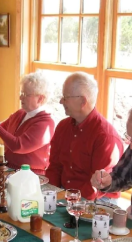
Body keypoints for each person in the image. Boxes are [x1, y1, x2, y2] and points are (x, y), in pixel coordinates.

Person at [46, 72, 124, 201]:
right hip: (66, 192)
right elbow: (54, 167)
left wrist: (66, 200)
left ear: (82, 101)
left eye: (65, 97)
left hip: (99, 199)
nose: (60, 101)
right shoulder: (63, 127)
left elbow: (96, 187)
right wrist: (50, 195)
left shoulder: (105, 137)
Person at [0, 72, 55, 174]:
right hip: (10, 170)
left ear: (40, 98)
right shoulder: (20, 113)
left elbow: (18, 146)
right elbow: (3, 128)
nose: (21, 98)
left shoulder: (45, 123)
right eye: (21, 93)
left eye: (26, 95)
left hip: (30, 175)